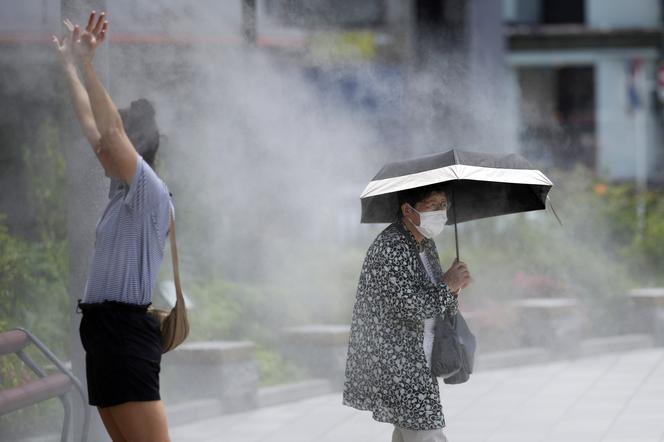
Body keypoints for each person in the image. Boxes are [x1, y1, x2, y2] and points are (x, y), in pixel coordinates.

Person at [53, 11, 172, 442]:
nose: (98, 149)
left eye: (110, 146)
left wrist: (88, 65)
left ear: (133, 149)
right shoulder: (120, 193)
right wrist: (69, 67)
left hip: (125, 335)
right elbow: (93, 124)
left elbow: (110, 131)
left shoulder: (148, 191)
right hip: (103, 334)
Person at [343, 184, 471, 442]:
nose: (441, 212)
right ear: (408, 209)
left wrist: (454, 289)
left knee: (410, 433)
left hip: (418, 358)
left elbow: (437, 300)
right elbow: (410, 306)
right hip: (399, 363)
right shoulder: (392, 247)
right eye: (433, 205)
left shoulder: (424, 245)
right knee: (427, 431)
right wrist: (448, 285)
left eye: (444, 205)